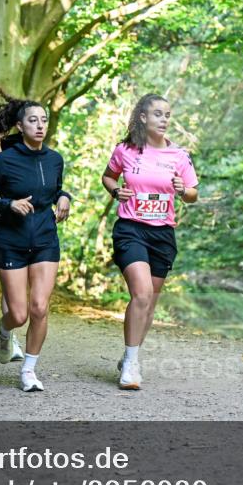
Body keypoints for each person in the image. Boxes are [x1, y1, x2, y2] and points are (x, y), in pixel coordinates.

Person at [101, 94, 199, 390]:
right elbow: (108, 177)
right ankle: (131, 365)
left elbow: (193, 193)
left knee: (150, 302)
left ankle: (130, 354)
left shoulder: (179, 156)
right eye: (158, 114)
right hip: (131, 229)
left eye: (167, 114)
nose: (164, 119)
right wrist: (116, 192)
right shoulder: (125, 150)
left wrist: (183, 191)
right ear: (143, 118)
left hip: (162, 234)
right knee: (141, 294)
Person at [0, 96, 71, 391]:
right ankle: (4, 331)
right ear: (20, 125)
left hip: (45, 239)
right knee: (18, 313)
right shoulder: (4, 160)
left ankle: (29, 370)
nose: (40, 125)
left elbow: (54, 189)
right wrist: (9, 205)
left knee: (40, 307)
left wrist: (65, 196)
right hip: (12, 240)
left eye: (43, 120)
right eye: (33, 120)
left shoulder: (55, 159)